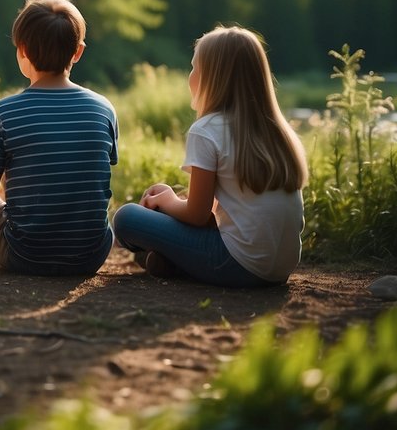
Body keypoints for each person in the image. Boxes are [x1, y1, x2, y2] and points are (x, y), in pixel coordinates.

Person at [0, 0, 116, 276]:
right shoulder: (104, 109)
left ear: (23, 50)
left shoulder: (5, 112)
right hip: (90, 256)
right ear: (78, 51)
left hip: (27, 256)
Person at [111, 25, 307, 287]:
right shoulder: (280, 132)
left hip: (236, 264)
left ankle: (174, 261)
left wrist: (167, 200)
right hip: (280, 270)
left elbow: (197, 215)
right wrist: (175, 201)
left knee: (126, 218)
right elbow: (224, 208)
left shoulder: (207, 130)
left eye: (194, 68)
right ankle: (172, 261)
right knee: (178, 207)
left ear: (213, 78)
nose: (189, 76)